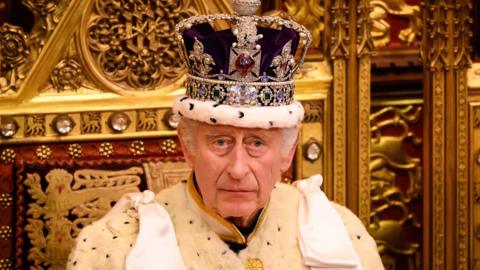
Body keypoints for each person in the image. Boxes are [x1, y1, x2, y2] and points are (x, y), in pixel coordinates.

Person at [67, 1, 384, 269]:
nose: (237, 169)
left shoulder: (339, 234)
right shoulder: (115, 246)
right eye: (220, 142)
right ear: (188, 147)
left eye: (256, 143)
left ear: (288, 153)